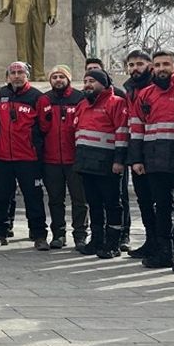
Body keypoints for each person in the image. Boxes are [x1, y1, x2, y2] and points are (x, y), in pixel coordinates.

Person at [129, 50, 174, 272]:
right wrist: (137, 159)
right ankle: (164, 251)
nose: (161, 69)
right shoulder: (145, 95)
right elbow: (137, 128)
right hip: (154, 161)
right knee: (161, 208)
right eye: (157, 65)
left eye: (166, 64)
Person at [0, 62, 49, 248]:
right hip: (3, 157)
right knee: (2, 198)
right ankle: (0, 233)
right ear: (7, 76)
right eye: (13, 73)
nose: (17, 76)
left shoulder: (37, 97)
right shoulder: (1, 95)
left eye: (20, 72)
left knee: (33, 198)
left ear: (27, 75)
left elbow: (44, 127)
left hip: (28, 158)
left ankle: (39, 235)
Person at [73, 69, 129, 258]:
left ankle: (113, 243)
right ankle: (96, 240)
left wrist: (119, 160)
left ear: (103, 84)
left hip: (107, 164)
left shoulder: (116, 103)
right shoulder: (82, 105)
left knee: (112, 204)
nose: (88, 84)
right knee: (94, 204)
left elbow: (122, 133)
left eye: (92, 81)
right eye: (86, 80)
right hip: (86, 164)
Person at [39, 65, 87, 249]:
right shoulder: (45, 99)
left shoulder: (79, 98)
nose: (58, 80)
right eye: (54, 77)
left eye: (61, 76)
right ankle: (58, 234)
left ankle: (80, 235)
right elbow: (41, 129)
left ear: (68, 79)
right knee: (55, 199)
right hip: (51, 159)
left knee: (79, 200)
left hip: (74, 159)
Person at [122, 50, 157, 256]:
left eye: (140, 64)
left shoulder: (154, 87)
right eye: (132, 65)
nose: (135, 68)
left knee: (159, 202)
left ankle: (164, 242)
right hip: (138, 151)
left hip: (158, 153)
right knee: (144, 200)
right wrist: (134, 158)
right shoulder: (130, 90)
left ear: (149, 65)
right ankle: (150, 240)